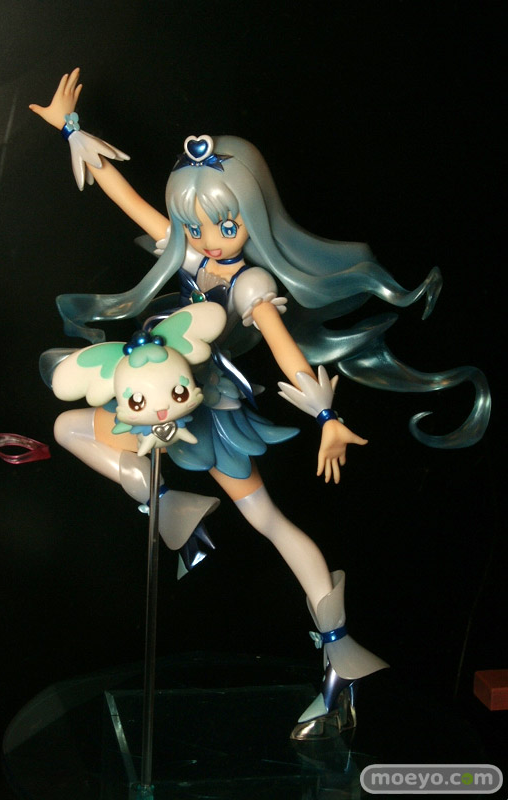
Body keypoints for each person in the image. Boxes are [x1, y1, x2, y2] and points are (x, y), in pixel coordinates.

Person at [29, 69, 489, 739]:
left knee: (268, 520)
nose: (210, 237)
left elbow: (282, 346)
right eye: (196, 225)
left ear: (254, 214)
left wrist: (326, 415)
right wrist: (72, 130)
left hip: (203, 411)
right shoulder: (190, 258)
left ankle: (336, 649)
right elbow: (126, 199)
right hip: (158, 401)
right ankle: (169, 504)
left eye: (225, 223)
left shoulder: (250, 283)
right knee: (71, 425)